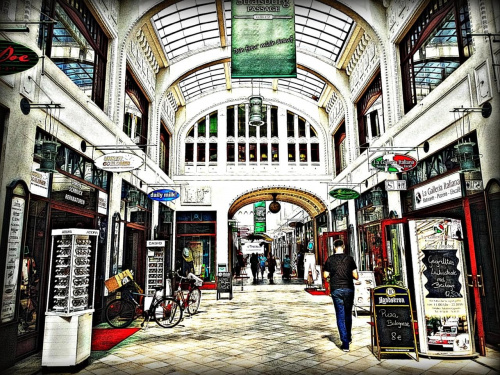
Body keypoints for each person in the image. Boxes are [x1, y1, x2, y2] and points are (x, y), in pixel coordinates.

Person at [323, 239, 358, 352]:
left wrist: (331, 276)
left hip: (336, 289)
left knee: (340, 315)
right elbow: (355, 275)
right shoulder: (349, 259)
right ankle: (348, 336)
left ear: (334, 247)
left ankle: (345, 343)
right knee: (348, 314)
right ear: (343, 246)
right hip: (348, 288)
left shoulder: (330, 260)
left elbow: (325, 275)